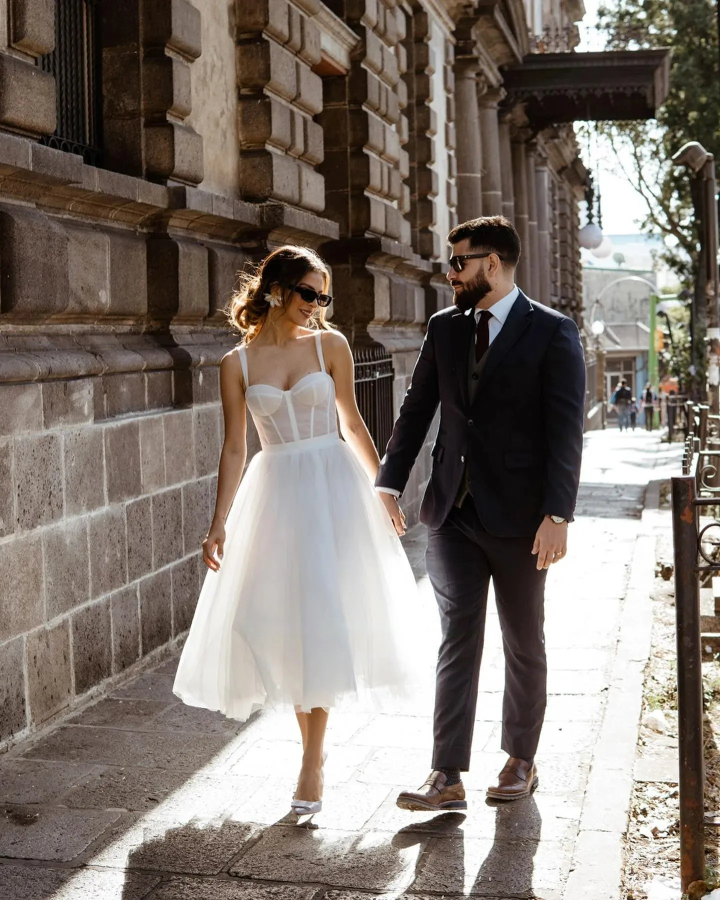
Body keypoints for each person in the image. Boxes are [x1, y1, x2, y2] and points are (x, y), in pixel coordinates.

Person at [173, 245, 418, 818]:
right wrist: (218, 525)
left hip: (331, 487)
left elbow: (353, 421)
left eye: (324, 296)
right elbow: (235, 447)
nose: (318, 305)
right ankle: (309, 748)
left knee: (324, 617)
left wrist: (384, 489)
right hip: (275, 490)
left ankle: (312, 761)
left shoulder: (330, 346)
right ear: (278, 289)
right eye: (310, 292)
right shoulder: (236, 363)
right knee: (275, 620)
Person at [376, 216, 585, 809]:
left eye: (458, 263)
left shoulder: (552, 332)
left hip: (523, 520)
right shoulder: (444, 329)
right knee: (456, 640)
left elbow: (565, 430)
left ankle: (521, 759)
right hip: (453, 515)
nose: (450, 274)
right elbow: (416, 411)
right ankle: (446, 774)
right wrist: (390, 483)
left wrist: (558, 515)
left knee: (523, 641)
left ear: (491, 264)